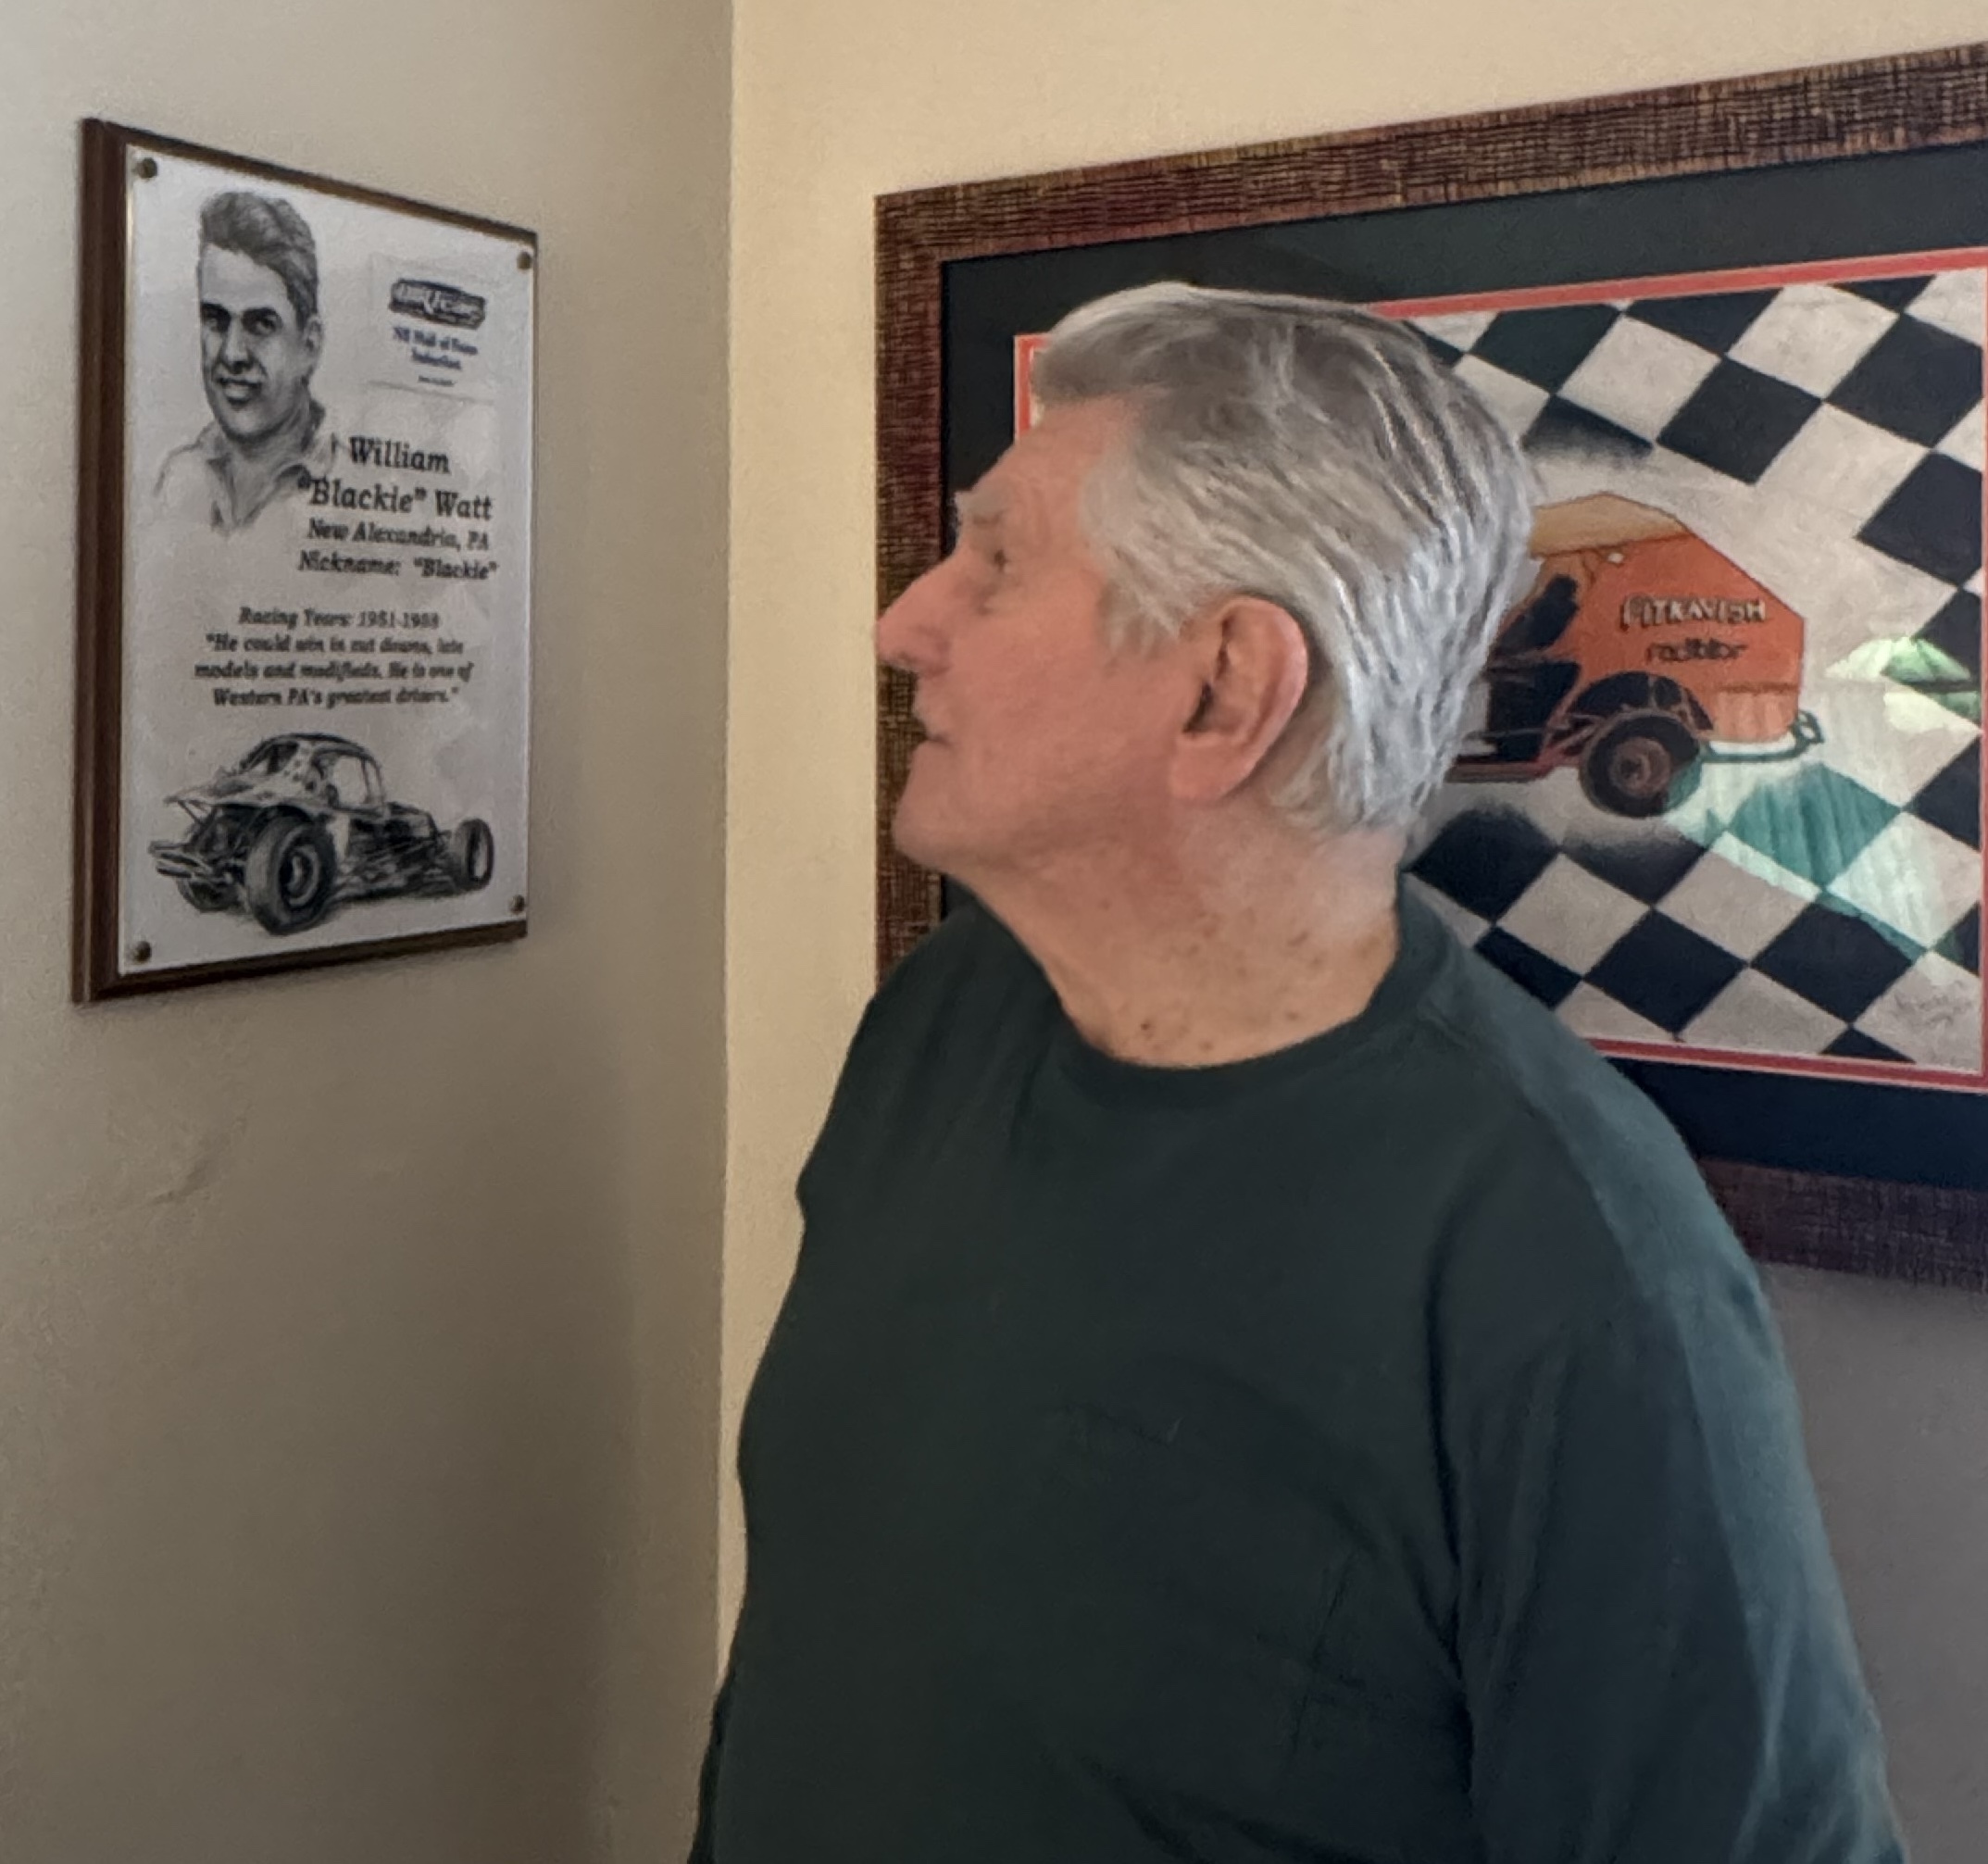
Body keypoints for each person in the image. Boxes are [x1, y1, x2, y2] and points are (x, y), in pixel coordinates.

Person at [693, 284, 1905, 1863]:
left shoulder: (1568, 1262)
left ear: (1221, 691)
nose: (905, 622)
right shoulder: (938, 1020)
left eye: (994, 564)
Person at [153, 191, 339, 534]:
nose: (233, 353)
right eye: (216, 320)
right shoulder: (180, 481)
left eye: (261, 325)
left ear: (309, 345)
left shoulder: (349, 479)